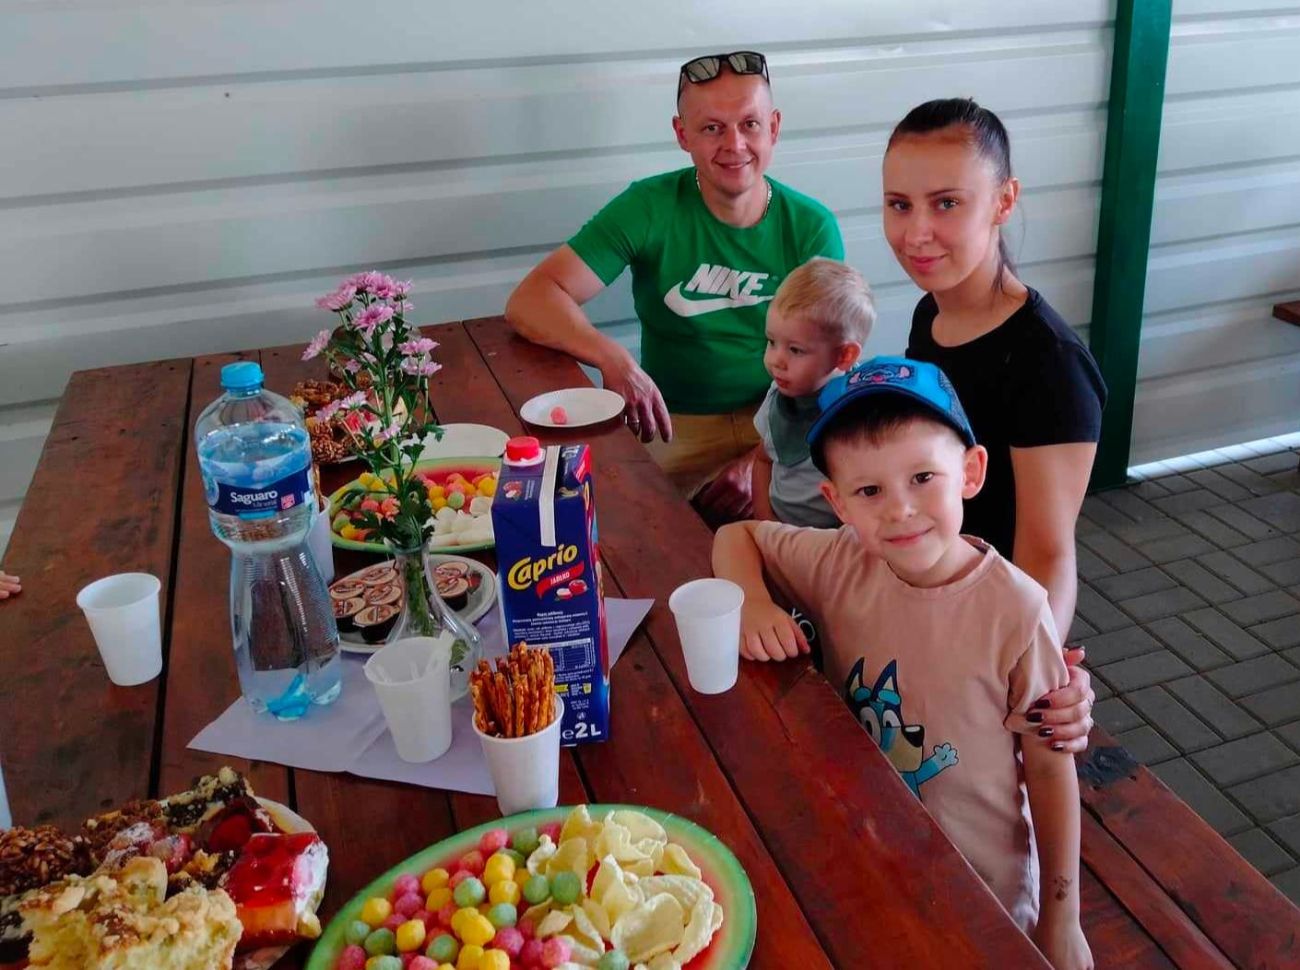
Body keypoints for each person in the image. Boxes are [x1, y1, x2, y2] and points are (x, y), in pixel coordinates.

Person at [713, 358, 1091, 969]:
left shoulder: (1018, 609)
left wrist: (1063, 917)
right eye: (870, 491)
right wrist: (751, 602)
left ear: (971, 472)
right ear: (837, 502)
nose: (900, 509)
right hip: (862, 854)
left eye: (922, 477)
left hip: (983, 889)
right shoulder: (840, 561)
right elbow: (738, 536)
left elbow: (1050, 769)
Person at [505, 51, 843, 517]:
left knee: (825, 529)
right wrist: (612, 358)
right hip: (673, 421)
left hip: (782, 422)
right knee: (622, 525)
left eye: (749, 124)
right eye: (712, 128)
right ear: (682, 135)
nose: (734, 144)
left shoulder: (812, 227)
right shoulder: (648, 206)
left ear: (774, 128)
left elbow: (830, 368)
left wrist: (759, 458)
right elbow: (531, 299)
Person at [883, 97, 1106, 750]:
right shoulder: (931, 314)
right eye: (900, 205)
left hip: (983, 637)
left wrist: (1030, 672)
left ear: (1004, 201)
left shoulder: (1050, 363)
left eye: (947, 203)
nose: (916, 232)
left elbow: (1048, 551)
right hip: (928, 596)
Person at [753, 257, 874, 527]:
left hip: (833, 540)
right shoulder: (777, 394)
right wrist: (764, 520)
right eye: (772, 342)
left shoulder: (858, 417)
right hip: (777, 526)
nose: (776, 360)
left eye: (795, 350)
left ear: (844, 355)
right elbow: (762, 460)